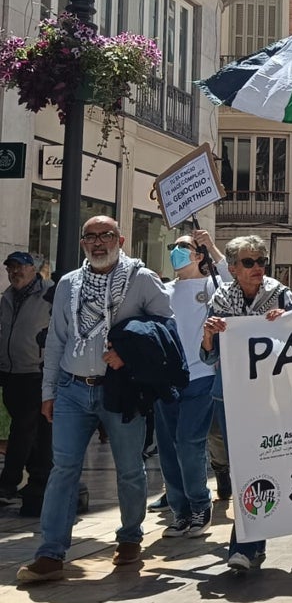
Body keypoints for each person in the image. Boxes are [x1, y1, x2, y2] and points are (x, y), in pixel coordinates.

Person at [17, 217, 175, 584]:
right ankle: (51, 553)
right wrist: (49, 391)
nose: (98, 243)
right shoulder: (70, 284)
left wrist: (129, 355)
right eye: (90, 237)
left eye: (106, 236)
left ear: (120, 239)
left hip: (120, 390)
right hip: (72, 388)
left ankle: (130, 537)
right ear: (83, 243)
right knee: (63, 469)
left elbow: (167, 328)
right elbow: (57, 340)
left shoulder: (141, 279)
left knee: (130, 469)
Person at [200, 236, 292, 572]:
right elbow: (208, 355)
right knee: (243, 467)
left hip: (271, 396)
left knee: (261, 466)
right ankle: (251, 541)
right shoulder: (220, 298)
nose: (257, 267)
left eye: (261, 261)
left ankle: (245, 543)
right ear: (231, 269)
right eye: (249, 262)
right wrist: (209, 335)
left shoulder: (281, 294)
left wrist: (286, 322)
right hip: (230, 396)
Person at [157, 230, 229, 542]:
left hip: (201, 375)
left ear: (198, 256)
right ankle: (180, 511)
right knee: (169, 447)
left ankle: (200, 505)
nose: (176, 252)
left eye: (184, 247)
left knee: (189, 442)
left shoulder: (212, 285)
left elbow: (231, 279)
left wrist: (212, 246)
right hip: (166, 379)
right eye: (173, 247)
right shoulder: (163, 290)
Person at [0, 252, 52, 517]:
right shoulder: (7, 296)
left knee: (23, 428)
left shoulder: (49, 294)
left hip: (36, 372)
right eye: (10, 268)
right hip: (10, 372)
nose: (14, 272)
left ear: (33, 269)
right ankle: (37, 478)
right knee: (32, 432)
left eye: (19, 267)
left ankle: (7, 483)